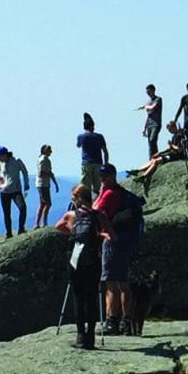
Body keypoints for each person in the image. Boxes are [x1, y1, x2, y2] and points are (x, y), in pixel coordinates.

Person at [91, 165, 143, 335]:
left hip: (112, 241)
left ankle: (112, 322)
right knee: (123, 283)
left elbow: (94, 211)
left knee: (112, 283)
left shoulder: (110, 194)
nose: (102, 179)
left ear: (112, 176)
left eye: (105, 176)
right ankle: (126, 324)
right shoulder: (122, 194)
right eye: (101, 176)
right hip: (127, 241)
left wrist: (100, 192)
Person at [58, 183, 104, 347]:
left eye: (73, 198)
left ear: (78, 198)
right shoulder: (98, 215)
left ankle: (80, 336)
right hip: (93, 260)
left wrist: (72, 233)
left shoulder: (70, 215)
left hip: (75, 260)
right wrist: (99, 236)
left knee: (78, 297)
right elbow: (112, 235)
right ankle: (90, 336)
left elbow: (57, 227)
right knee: (91, 297)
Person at [0, 147, 30, 238]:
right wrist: (0, 180)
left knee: (22, 208)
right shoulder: (0, 163)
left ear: (4, 155)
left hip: (16, 190)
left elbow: (25, 172)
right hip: (4, 191)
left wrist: (26, 183)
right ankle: (8, 233)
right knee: (7, 213)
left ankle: (21, 228)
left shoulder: (17, 161)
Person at [74, 114, 110, 194]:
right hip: (98, 163)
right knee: (98, 188)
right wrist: (106, 164)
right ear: (92, 126)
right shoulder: (99, 137)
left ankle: (87, 204)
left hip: (87, 164)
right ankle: (98, 203)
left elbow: (78, 145)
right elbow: (105, 152)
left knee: (85, 188)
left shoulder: (81, 137)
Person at [136, 84, 163, 161]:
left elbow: (153, 107)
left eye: (149, 91)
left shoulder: (158, 99)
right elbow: (148, 116)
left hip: (156, 124)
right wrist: (144, 128)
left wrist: (144, 107)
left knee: (152, 140)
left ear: (153, 90)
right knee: (150, 143)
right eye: (147, 92)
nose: (148, 93)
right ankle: (151, 159)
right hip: (149, 125)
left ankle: (156, 157)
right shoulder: (148, 102)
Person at [34, 145, 57, 228]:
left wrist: (54, 182)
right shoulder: (44, 159)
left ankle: (37, 223)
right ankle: (44, 222)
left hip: (42, 184)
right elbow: (42, 173)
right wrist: (50, 177)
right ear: (44, 150)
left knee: (42, 204)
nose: (50, 152)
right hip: (43, 184)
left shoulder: (43, 159)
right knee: (48, 203)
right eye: (49, 150)